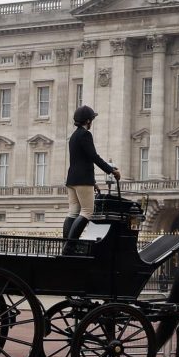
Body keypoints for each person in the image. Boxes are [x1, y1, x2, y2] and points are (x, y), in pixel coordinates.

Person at [62, 105, 120, 253]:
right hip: (82, 179)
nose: (92, 122)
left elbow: (80, 159)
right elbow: (93, 157)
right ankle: (70, 246)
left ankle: (66, 245)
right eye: (92, 119)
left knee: (73, 211)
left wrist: (93, 182)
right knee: (87, 211)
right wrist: (111, 170)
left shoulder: (73, 137)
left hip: (72, 179)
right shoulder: (85, 135)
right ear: (88, 121)